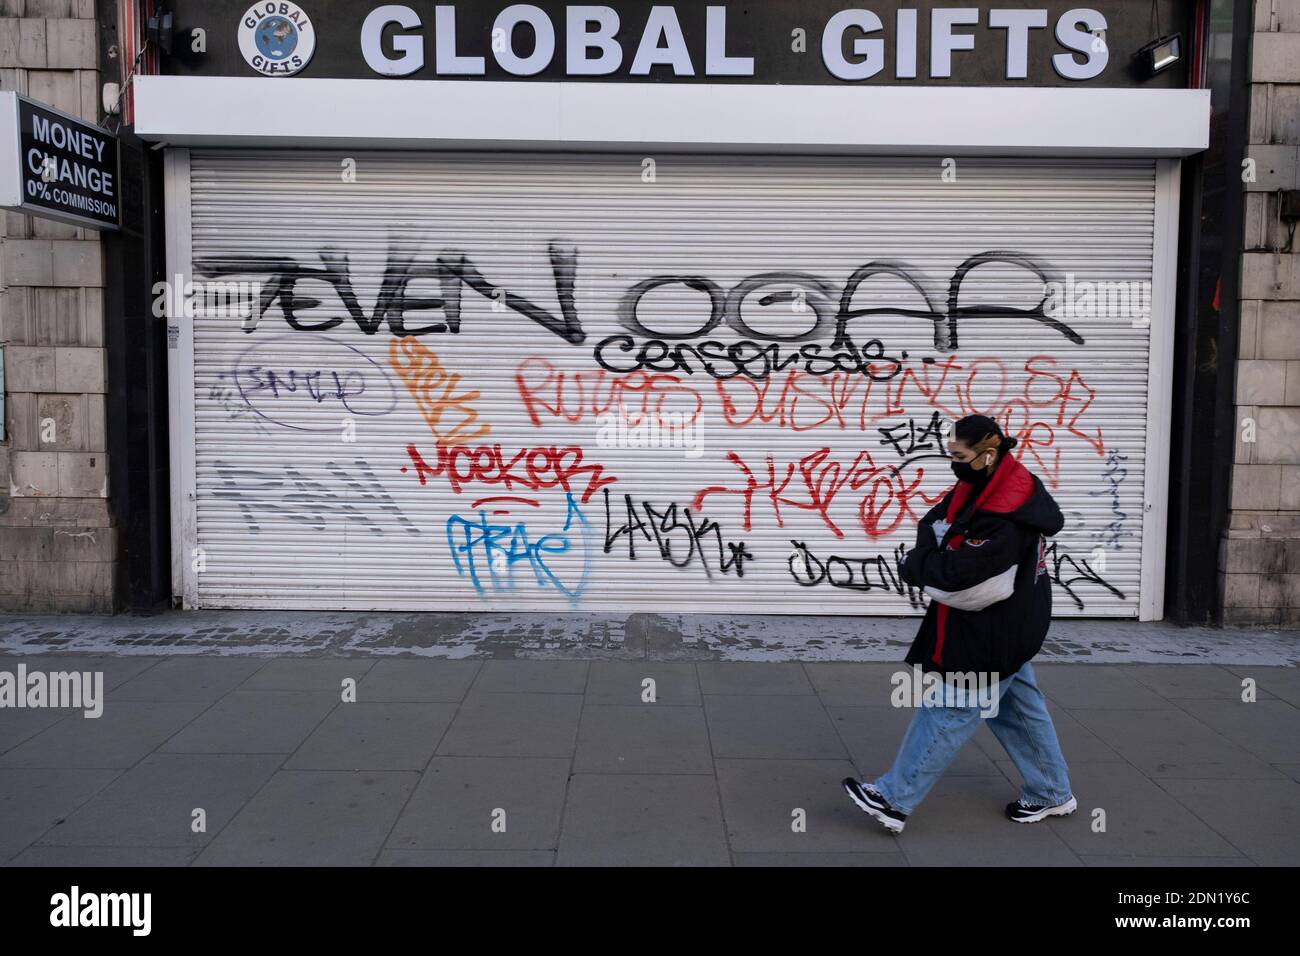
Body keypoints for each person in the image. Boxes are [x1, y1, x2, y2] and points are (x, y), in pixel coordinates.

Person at [841, 414, 1075, 834]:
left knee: (949, 709)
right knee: (1019, 709)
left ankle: (894, 799)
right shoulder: (992, 484)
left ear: (987, 454)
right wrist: (935, 553)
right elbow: (931, 524)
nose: (952, 462)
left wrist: (919, 563)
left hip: (993, 630)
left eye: (959, 455)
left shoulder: (1006, 510)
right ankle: (1052, 792)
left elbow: (958, 572)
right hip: (1014, 625)